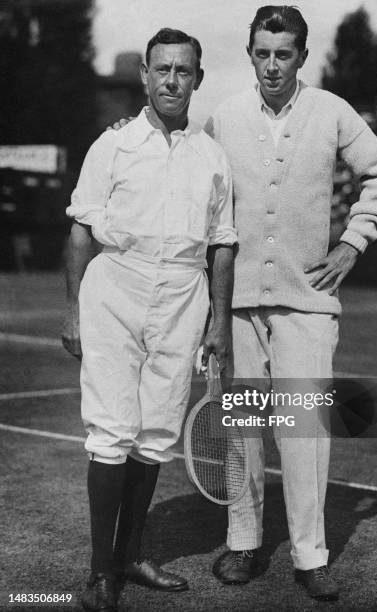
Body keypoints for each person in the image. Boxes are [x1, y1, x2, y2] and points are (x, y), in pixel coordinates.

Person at [204, 6, 377, 601]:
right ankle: (242, 543)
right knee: (242, 427)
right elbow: (199, 196)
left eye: (283, 54)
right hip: (235, 304)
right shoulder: (225, 116)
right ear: (250, 53)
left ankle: (311, 556)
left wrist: (352, 242)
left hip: (307, 303)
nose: (271, 65)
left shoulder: (332, 111)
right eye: (261, 52)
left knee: (305, 435)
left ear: (302, 57)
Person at [62, 28, 236, 612]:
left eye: (183, 71)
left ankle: (133, 555)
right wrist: (72, 311)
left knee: (157, 433)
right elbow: (81, 230)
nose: (171, 80)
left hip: (184, 296)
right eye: (161, 69)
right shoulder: (111, 145)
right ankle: (99, 572)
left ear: (198, 78)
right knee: (111, 432)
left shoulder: (212, 156)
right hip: (115, 289)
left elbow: (222, 244)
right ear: (144, 74)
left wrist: (219, 321)